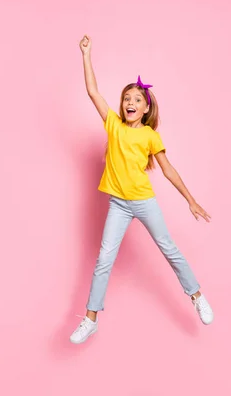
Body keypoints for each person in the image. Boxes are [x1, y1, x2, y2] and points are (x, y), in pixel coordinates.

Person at [70, 35, 214, 344]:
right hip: (118, 204)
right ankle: (91, 318)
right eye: (126, 99)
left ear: (146, 107)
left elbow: (168, 169)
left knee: (169, 249)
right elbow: (92, 91)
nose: (130, 103)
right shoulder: (113, 125)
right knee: (104, 259)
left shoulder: (149, 135)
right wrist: (86, 54)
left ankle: (197, 295)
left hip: (144, 202)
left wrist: (191, 200)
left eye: (136, 99)